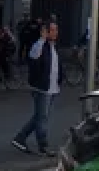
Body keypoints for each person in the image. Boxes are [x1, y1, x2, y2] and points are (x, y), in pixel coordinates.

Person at [12, 21, 63, 156]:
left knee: (40, 117)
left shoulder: (54, 47)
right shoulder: (39, 45)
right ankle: (43, 145)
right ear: (45, 32)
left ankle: (20, 138)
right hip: (41, 88)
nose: (55, 33)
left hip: (52, 87)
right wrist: (42, 39)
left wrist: (58, 82)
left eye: (56, 30)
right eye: (52, 30)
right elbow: (33, 56)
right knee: (42, 118)